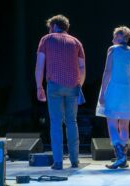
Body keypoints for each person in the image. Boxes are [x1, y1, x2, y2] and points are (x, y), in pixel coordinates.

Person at [35, 14, 86, 170]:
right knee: (72, 122)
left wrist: (39, 86)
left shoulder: (46, 39)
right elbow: (82, 67)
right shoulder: (76, 42)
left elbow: (40, 65)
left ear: (53, 26)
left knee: (56, 123)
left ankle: (58, 162)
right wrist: (79, 85)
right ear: (66, 27)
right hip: (73, 86)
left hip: (55, 85)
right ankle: (75, 161)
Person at [96, 26, 130, 169]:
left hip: (114, 88)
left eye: (115, 36)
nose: (113, 38)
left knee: (112, 123)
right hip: (128, 90)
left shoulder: (113, 49)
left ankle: (120, 156)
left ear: (121, 37)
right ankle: (123, 157)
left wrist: (102, 93)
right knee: (124, 125)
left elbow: (107, 71)